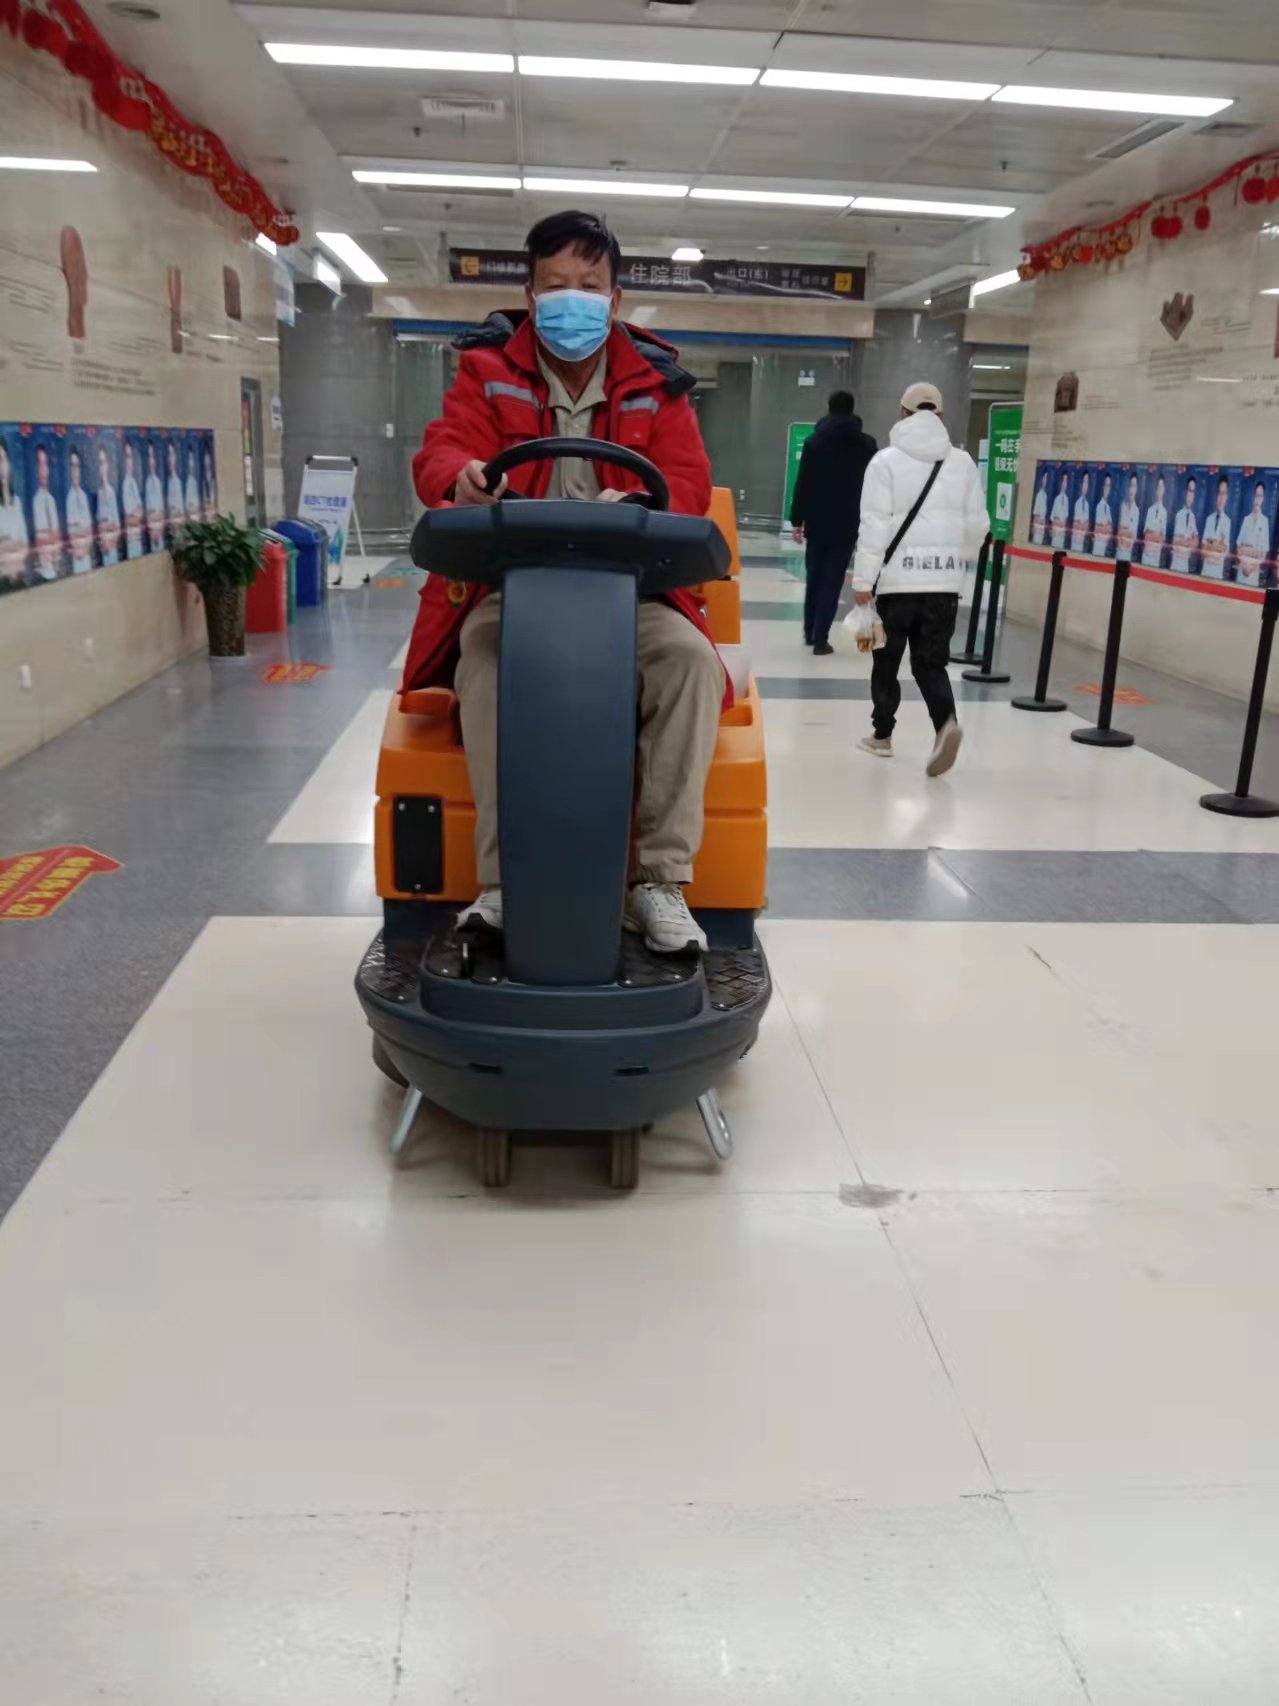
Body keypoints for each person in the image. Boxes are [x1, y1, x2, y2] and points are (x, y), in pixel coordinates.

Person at [402, 209, 722, 955]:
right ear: (531, 294)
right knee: (485, 662)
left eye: (589, 284)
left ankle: (657, 880)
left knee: (689, 662)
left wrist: (641, 500)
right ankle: (502, 882)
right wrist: (461, 476)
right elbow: (440, 453)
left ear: (613, 298)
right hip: (514, 588)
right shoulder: (486, 370)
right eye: (555, 284)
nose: (571, 298)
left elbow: (689, 483)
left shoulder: (660, 383)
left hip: (631, 590)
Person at [851, 381, 988, 777]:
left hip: (895, 584)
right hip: (943, 585)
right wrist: (956, 561)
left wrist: (863, 581)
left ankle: (882, 736)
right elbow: (978, 525)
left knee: (885, 659)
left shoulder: (884, 462)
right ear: (940, 414)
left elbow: (874, 525)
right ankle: (946, 725)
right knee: (931, 663)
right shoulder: (963, 463)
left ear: (903, 413)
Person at [788, 391, 877, 654]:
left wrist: (797, 519)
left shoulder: (814, 442)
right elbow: (873, 486)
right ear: (852, 409)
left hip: (817, 520)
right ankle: (820, 638)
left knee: (814, 576)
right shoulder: (867, 445)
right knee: (833, 579)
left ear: (829, 408)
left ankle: (809, 631)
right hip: (849, 521)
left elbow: (803, 483)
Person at [0, 435, 29, 585]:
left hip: (20, 577)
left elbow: (26, 545)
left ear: (8, 464)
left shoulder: (17, 503)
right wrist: (13, 544)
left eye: (2, 460)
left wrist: (5, 542)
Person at [32, 443, 62, 580]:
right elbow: (41, 540)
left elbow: (57, 536)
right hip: (44, 572)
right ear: (37, 470)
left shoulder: (52, 501)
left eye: (46, 464)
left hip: (57, 569)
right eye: (40, 465)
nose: (44, 470)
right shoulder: (36, 502)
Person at [65, 446, 94, 574]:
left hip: (87, 558)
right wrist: (80, 529)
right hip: (76, 562)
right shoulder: (69, 499)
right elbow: (72, 535)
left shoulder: (83, 497)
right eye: (72, 466)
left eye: (77, 466)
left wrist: (81, 529)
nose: (75, 471)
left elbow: (89, 531)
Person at [1236, 480, 1271, 584]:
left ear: (1263, 499)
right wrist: (1244, 565)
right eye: (1256, 495)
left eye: (1260, 496)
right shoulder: (1246, 519)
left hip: (1254, 574)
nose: (1257, 499)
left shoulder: (1265, 521)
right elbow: (1239, 547)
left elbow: (1264, 553)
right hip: (1241, 571)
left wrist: (1251, 567)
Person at [1200, 475, 1232, 579]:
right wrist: (1217, 544)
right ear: (1216, 495)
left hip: (1217, 574)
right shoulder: (1209, 519)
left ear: (1227, 497)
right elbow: (1203, 547)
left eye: (1224, 493)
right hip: (1205, 571)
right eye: (1219, 493)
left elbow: (1225, 550)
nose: (1221, 498)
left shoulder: (1228, 522)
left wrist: (1211, 543)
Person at [96, 444, 121, 566]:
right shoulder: (98, 493)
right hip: (104, 550)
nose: (102, 468)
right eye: (100, 463)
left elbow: (117, 525)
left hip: (112, 548)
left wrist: (111, 542)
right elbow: (99, 524)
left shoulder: (111, 492)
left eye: (104, 463)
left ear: (108, 465)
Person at [1170, 475, 1199, 574]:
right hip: (1175, 564)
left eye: (1193, 492)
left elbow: (1196, 541)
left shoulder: (1192, 517)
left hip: (1185, 566)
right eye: (1189, 491)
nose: (1191, 495)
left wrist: (1187, 541)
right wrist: (1188, 541)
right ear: (1185, 492)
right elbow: (1176, 541)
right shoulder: (1178, 514)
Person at [121, 441, 144, 559]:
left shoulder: (133, 482)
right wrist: (134, 515)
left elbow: (141, 512)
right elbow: (128, 519)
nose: (129, 462)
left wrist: (134, 514)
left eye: (130, 457)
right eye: (127, 457)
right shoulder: (124, 484)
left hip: (138, 537)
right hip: (130, 540)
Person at [1141, 474, 1168, 567]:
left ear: (1164, 490)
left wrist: (1152, 534)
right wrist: (1157, 535)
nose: (1160, 490)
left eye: (1162, 487)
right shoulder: (1150, 510)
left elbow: (1162, 538)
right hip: (1146, 556)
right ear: (1156, 489)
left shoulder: (1164, 513)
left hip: (1156, 558)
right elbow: (1146, 536)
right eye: (1158, 487)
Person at [144, 442, 165, 551]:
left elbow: (161, 511)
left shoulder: (158, 482)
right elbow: (148, 513)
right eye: (149, 457)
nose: (151, 461)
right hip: (152, 533)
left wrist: (155, 515)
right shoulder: (146, 483)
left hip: (160, 531)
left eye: (153, 457)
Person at [1117, 472, 1141, 559]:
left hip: (1127, 554)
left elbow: (1133, 536)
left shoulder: (1136, 511)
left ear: (1136, 489)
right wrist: (1127, 531)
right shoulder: (1122, 506)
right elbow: (1119, 532)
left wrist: (1124, 529)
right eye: (1130, 486)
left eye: (1134, 486)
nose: (1131, 489)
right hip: (1118, 551)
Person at [1092, 471, 1114, 558]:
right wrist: (1104, 527)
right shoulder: (1098, 506)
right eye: (1105, 485)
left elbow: (1110, 529)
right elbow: (1097, 528)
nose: (1106, 489)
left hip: (1104, 548)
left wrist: (1105, 527)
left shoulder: (1108, 508)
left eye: (1108, 486)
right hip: (1097, 547)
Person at [165, 440, 184, 535]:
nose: (170, 459)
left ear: (175, 457)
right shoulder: (165, 482)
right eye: (168, 455)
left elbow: (180, 511)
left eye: (172, 454)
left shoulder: (179, 481)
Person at [1070, 469, 1092, 553]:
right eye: (1084, 482)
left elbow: (1086, 527)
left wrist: (1082, 525)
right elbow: (1075, 525)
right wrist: (1081, 524)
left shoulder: (1087, 505)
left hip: (1081, 544)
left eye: (1087, 483)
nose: (1085, 486)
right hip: (1074, 543)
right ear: (1081, 484)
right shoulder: (1076, 503)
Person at [1049, 472, 1070, 548]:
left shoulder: (1067, 499)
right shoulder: (1056, 499)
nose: (1064, 484)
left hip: (1062, 535)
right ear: (1061, 483)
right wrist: (1057, 522)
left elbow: (1066, 518)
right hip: (1055, 533)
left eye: (1066, 481)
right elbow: (1052, 518)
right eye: (1063, 481)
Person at [1031, 469, 1050, 545]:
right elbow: (1035, 514)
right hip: (1037, 527)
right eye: (1044, 478)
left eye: (1046, 478)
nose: (1045, 480)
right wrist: (1035, 525)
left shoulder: (1045, 495)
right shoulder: (1038, 495)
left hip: (1042, 528)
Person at [184, 446, 201, 522]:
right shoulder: (186, 482)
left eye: (192, 459)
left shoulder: (196, 480)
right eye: (189, 459)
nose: (191, 463)